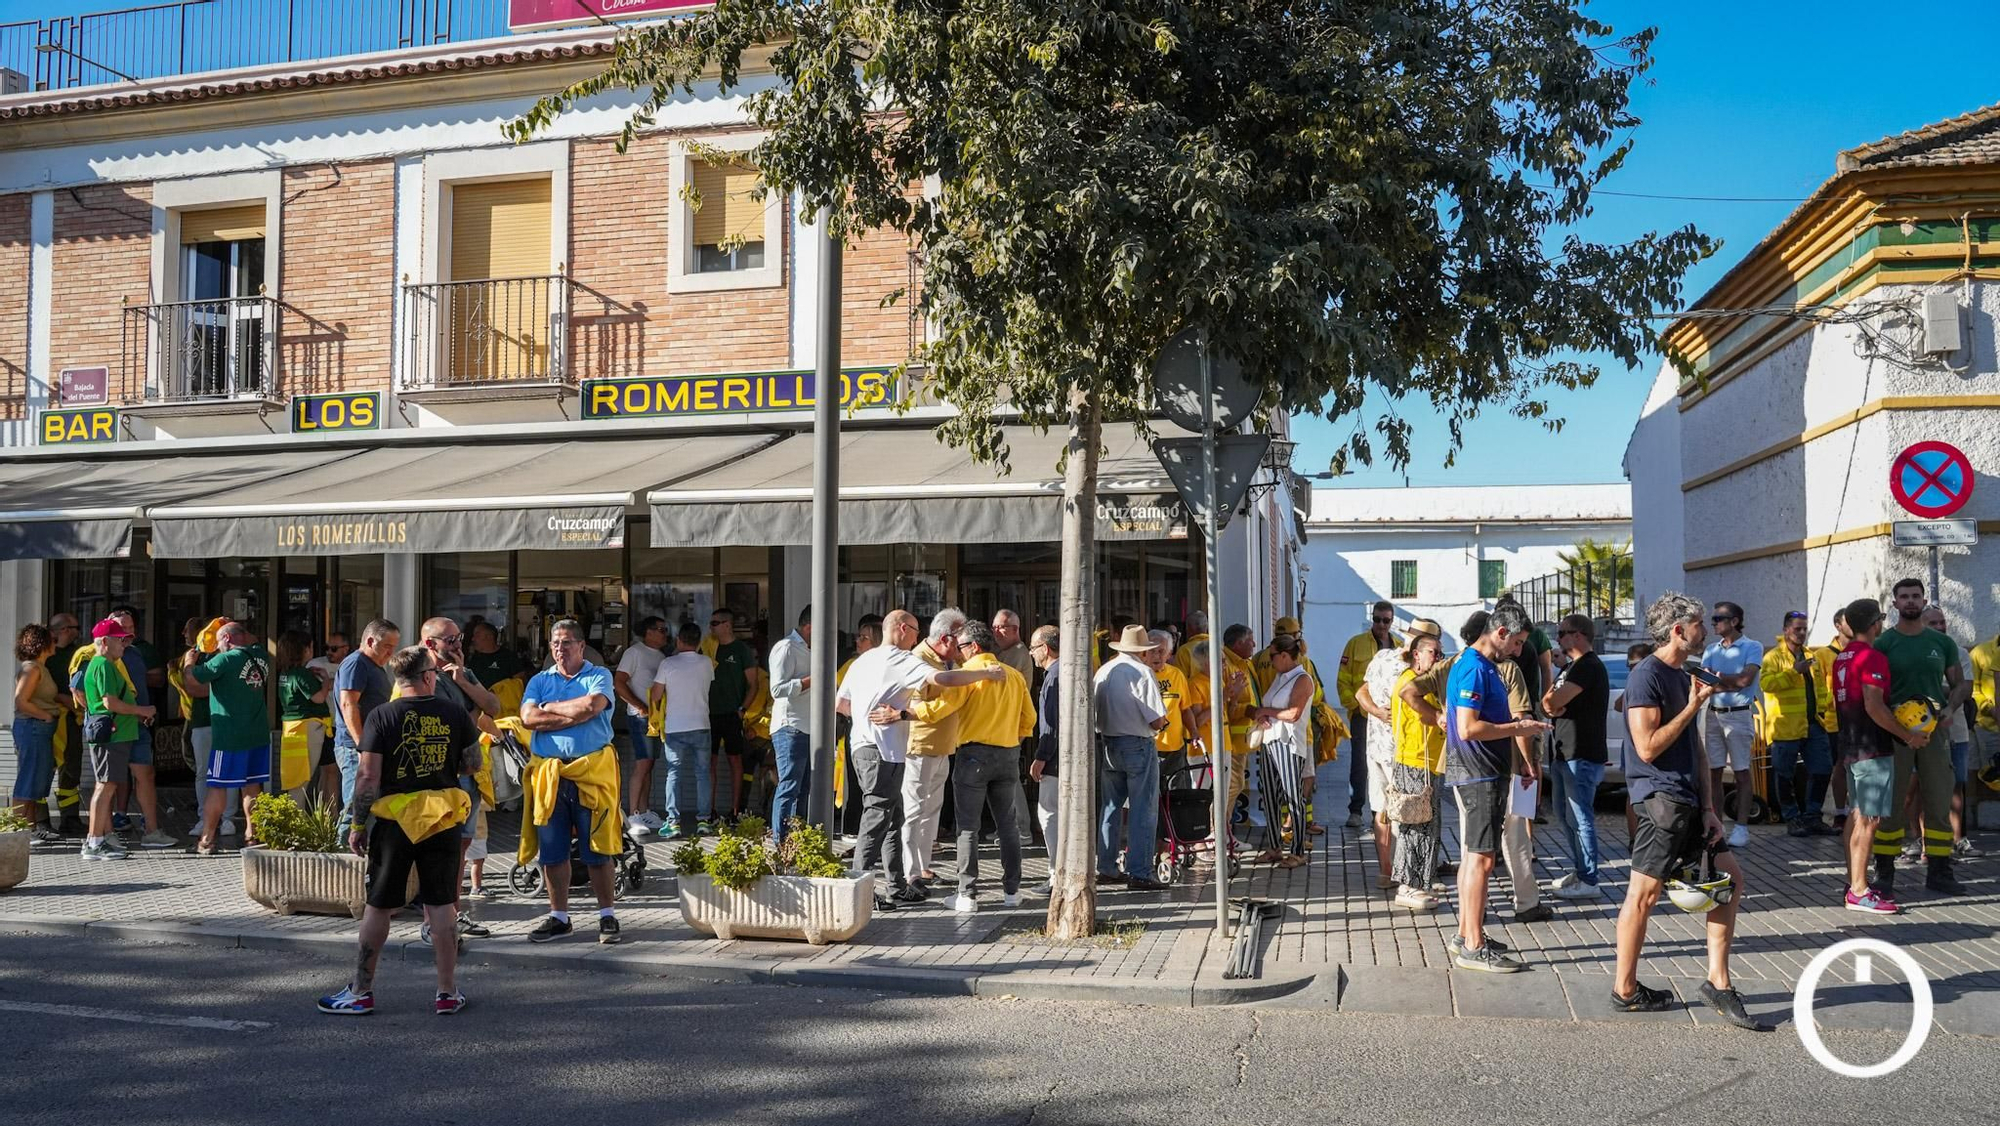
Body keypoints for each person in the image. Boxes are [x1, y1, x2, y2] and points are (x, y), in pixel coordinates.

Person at [1612, 591, 1762, 1030]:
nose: (1706, 630)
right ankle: (1625, 989)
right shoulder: (1648, 676)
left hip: (1689, 801)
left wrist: (1710, 806)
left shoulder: (1683, 674)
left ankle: (1718, 981)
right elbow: (1647, 746)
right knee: (1643, 896)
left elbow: (1693, 744)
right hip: (1660, 801)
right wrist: (1696, 705)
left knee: (1730, 879)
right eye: (1699, 623)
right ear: (1679, 630)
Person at [318, 645, 480, 1016]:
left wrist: (358, 823)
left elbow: (368, 775)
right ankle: (446, 992)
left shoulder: (381, 716)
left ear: (398, 678)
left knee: (380, 904)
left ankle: (361, 991)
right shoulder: (454, 712)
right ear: (428, 676)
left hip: (394, 821)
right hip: (441, 818)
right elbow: (472, 764)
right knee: (441, 904)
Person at [840, 610, 1004, 908]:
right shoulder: (901, 659)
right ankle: (858, 890)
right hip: (884, 751)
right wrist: (984, 673)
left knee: (894, 818)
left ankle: (896, 885)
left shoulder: (863, 660)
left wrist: (864, 719)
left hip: (862, 748)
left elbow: (841, 703)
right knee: (877, 819)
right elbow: (944, 678)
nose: (918, 637)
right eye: (916, 630)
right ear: (902, 629)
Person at [1443, 605, 1549, 973]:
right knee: (1482, 859)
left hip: (1483, 772)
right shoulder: (1474, 666)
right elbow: (1469, 727)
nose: (1519, 651)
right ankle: (1472, 944)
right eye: (1517, 643)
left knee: (1475, 856)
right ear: (1500, 632)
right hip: (1479, 773)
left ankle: (1466, 933)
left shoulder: (1479, 665)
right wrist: (1519, 729)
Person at [518, 619, 623, 944]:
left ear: (580, 646)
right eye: (554, 644)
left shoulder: (599, 675)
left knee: (597, 849)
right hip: (550, 775)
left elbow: (593, 706)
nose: (559, 649)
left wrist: (549, 710)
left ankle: (607, 916)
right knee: (552, 852)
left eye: (565, 643)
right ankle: (559, 917)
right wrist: (571, 714)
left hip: (591, 774)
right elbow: (527, 718)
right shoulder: (539, 679)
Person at [1870, 579, 1965, 896]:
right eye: (1904, 597)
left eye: (1915, 596)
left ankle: (1940, 872)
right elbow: (1874, 695)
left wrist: (1950, 707)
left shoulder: (1942, 643)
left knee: (1939, 801)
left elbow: (1960, 684)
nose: (1910, 601)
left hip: (1934, 733)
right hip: (1895, 735)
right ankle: (1884, 873)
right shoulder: (1883, 644)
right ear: (1894, 604)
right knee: (1892, 804)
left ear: (1924, 601)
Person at [1833, 598, 1925, 915]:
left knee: (1857, 815)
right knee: (1869, 820)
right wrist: (1908, 735)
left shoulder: (1842, 657)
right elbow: (1874, 706)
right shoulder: (1872, 657)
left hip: (1850, 744)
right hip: (1872, 747)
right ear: (1876, 624)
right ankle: (1860, 890)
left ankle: (1853, 883)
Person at [941, 620, 1036, 912]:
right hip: (1007, 753)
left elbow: (940, 709)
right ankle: (1012, 891)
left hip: (973, 754)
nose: (958, 653)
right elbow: (1029, 719)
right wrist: (1013, 735)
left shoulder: (967, 674)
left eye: (961, 647)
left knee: (968, 826)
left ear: (974, 646)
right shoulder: (1014, 676)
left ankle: (967, 894)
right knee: (1007, 824)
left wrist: (906, 713)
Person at [900, 608, 974, 891]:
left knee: (932, 808)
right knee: (914, 809)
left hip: (943, 744)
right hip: (920, 745)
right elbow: (915, 706)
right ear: (945, 639)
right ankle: (911, 873)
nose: (962, 648)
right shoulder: (919, 659)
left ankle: (924, 866)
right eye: (960, 641)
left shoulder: (948, 662)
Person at [1094, 625, 1171, 888]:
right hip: (1137, 743)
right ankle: (1140, 871)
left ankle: (1106, 866)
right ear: (1143, 652)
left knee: (1110, 807)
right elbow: (1157, 719)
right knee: (1142, 809)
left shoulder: (1104, 670)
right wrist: (1162, 723)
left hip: (1108, 742)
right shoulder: (1141, 672)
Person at [188, 623, 273, 856]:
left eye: (218, 641)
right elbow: (251, 636)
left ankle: (206, 840)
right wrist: (236, 628)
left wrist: (188, 662)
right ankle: (252, 836)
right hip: (257, 734)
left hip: (228, 737)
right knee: (252, 787)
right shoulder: (260, 655)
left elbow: (195, 678)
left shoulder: (224, 660)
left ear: (226, 638)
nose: (216, 647)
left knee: (217, 788)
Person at [1543, 613, 1611, 899]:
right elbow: (1548, 702)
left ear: (1578, 635)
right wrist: (1551, 703)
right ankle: (1581, 869)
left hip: (1581, 753)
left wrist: (1552, 704)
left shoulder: (1588, 667)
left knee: (1580, 816)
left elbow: (1553, 701)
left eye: (1562, 633)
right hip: (1563, 752)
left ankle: (1589, 879)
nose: (1558, 639)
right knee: (1564, 814)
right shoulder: (1571, 668)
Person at [80, 618, 156, 860]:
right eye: (119, 639)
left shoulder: (108, 664)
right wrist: (141, 711)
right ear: (105, 641)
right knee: (105, 786)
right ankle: (94, 842)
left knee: (107, 785)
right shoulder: (102, 664)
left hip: (117, 734)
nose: (124, 644)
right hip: (111, 735)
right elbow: (109, 702)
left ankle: (97, 840)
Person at [1384, 620, 1445, 910]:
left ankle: (1420, 881)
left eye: (1439, 651)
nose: (1438, 657)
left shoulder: (1426, 679)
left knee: (1428, 825)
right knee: (1415, 824)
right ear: (1417, 653)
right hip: (1413, 760)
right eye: (1433, 651)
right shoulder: (1409, 681)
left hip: (1430, 761)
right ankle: (1408, 885)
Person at [1761, 610, 1837, 838]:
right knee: (1784, 774)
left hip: (1813, 724)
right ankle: (1792, 818)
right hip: (1786, 726)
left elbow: (1820, 688)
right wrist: (1794, 672)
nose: (1802, 633)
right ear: (1786, 630)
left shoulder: (1809, 656)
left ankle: (1813, 816)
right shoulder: (1773, 657)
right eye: (1797, 629)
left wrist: (1823, 709)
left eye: (1805, 629)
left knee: (1823, 769)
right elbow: (1766, 684)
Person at [1251, 634, 1319, 871]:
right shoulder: (1279, 678)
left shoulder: (1302, 679)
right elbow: (1271, 708)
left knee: (1293, 797)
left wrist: (1264, 711)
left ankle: (1298, 851)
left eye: (1272, 656)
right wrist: (1261, 713)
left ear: (1283, 655)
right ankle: (1274, 846)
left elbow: (1293, 713)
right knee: (1269, 795)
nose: (1269, 661)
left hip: (1289, 743)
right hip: (1270, 741)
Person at [1700, 601, 1762, 847]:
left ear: (1734, 621)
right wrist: (1725, 681)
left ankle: (1742, 827)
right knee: (1713, 771)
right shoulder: (1711, 649)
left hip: (1738, 713)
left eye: (1718, 618)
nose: (1713, 623)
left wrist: (1718, 680)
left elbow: (1745, 680)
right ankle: (1717, 824)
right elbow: (1704, 681)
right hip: (1713, 713)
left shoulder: (1752, 646)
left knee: (1741, 771)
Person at [647, 622, 717, 839]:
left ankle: (673, 822)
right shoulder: (706, 663)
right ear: (698, 643)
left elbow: (656, 695)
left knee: (673, 773)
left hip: (675, 727)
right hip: (702, 725)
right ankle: (704, 820)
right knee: (702, 774)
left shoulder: (668, 664)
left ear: (678, 641)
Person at [332, 620, 400, 840]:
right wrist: (363, 745)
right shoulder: (357, 663)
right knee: (355, 804)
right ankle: (342, 861)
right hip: (355, 748)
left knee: (366, 806)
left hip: (370, 747)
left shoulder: (373, 666)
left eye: (394, 646)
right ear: (371, 641)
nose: (391, 652)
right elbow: (348, 704)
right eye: (387, 646)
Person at [1916, 605, 1974, 860]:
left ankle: (1958, 838)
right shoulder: (1914, 651)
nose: (1940, 627)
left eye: (1942, 622)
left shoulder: (1958, 652)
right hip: (1921, 731)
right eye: (1933, 624)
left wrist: (1937, 696)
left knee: (1956, 784)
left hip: (1956, 731)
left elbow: (1964, 688)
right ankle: (1922, 841)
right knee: (1919, 787)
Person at [1335, 603, 1400, 828]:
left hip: (1389, 718)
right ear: (1372, 619)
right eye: (1377, 619)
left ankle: (1382, 812)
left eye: (1386, 620)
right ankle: (1356, 809)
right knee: (1361, 762)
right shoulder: (1355, 644)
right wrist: (1354, 706)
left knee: (1387, 761)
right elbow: (1343, 679)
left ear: (1392, 622)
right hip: (1363, 715)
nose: (1381, 624)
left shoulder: (1399, 647)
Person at [1354, 629, 1407, 887]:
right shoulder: (1409, 670)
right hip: (1396, 751)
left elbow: (1360, 692)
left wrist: (1374, 711)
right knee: (1400, 810)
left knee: (1382, 810)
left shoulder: (1382, 657)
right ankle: (1401, 871)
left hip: (1375, 747)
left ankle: (1386, 871)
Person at [705, 609, 764, 823]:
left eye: (715, 623)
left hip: (732, 714)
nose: (711, 627)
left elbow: (753, 684)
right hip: (708, 714)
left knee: (734, 760)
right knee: (708, 762)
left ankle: (735, 810)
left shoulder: (741, 650)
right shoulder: (708, 647)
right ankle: (708, 811)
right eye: (710, 623)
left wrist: (742, 709)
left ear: (727, 624)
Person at [614, 616, 671, 831]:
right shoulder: (634, 652)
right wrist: (639, 705)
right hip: (640, 717)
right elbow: (618, 682)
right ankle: (633, 813)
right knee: (643, 763)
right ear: (648, 632)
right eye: (661, 629)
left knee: (650, 764)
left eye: (665, 630)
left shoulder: (661, 656)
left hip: (656, 718)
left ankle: (644, 811)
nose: (665, 633)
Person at [12, 624, 63, 842]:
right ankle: (17, 831)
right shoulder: (32, 668)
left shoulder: (40, 667)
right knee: (27, 779)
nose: (56, 642)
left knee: (35, 780)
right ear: (42, 643)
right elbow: (21, 701)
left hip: (39, 728)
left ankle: (30, 828)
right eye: (52, 639)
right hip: (33, 727)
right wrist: (46, 716)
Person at [991, 609, 1038, 846]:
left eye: (1001, 627)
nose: (996, 631)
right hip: (1004, 723)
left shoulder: (1018, 653)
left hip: (1011, 723)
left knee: (1010, 777)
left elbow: (996, 683)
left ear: (1016, 630)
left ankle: (1022, 828)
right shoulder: (1005, 652)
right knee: (1002, 776)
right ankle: (1007, 826)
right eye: (994, 627)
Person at [767, 606, 815, 840]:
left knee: (803, 788)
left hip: (808, 726)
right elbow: (777, 689)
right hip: (790, 726)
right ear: (810, 627)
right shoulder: (786, 647)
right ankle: (781, 841)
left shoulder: (811, 649)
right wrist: (812, 680)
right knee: (789, 786)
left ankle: (797, 841)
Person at [276, 631, 334, 804]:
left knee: (294, 773)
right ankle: (297, 819)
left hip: (291, 728)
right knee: (304, 775)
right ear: (305, 649)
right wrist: (324, 680)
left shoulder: (285, 673)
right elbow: (319, 697)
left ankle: (293, 815)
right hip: (309, 727)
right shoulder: (302, 674)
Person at [1027, 625, 1062, 894]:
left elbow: (1050, 724)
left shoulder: (1053, 676)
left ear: (1045, 649)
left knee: (1049, 816)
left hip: (1056, 761)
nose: (1031, 654)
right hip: (1067, 759)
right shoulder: (1068, 672)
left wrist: (1040, 757)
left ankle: (1055, 874)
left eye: (1033, 648)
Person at [45, 613, 85, 837]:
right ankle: (41, 821)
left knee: (70, 771)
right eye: (76, 627)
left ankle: (70, 819)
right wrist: (61, 699)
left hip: (72, 721)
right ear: (65, 630)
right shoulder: (45, 656)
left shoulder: (77, 654)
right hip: (48, 720)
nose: (79, 631)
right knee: (44, 769)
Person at [1147, 630, 1194, 783]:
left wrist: (1194, 731)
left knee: (1175, 797)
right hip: (1148, 747)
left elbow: (1185, 708)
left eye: (1161, 651)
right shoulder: (1139, 674)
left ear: (1169, 654)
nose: (1156, 656)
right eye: (1152, 651)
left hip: (1175, 749)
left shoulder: (1177, 675)